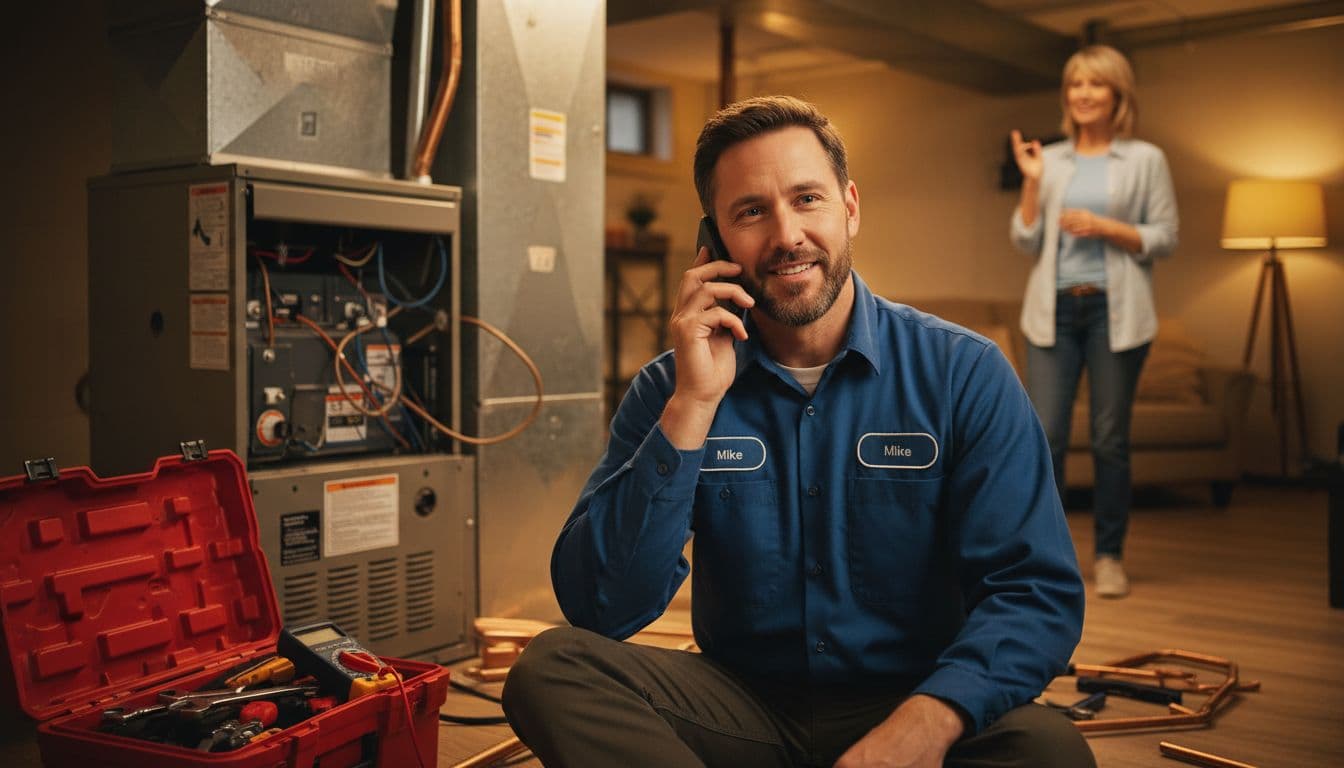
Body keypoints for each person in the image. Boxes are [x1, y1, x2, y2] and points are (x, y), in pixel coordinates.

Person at [503, 95, 1092, 768]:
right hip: (740, 707)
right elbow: (601, 608)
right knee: (552, 668)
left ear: (850, 207)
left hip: (911, 699)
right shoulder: (671, 389)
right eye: (751, 211)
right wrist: (693, 405)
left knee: (1049, 749)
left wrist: (927, 725)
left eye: (806, 199)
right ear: (715, 241)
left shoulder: (965, 372)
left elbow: (1034, 592)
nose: (786, 235)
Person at [1009, 45, 1178, 599]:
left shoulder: (1145, 159)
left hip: (1115, 310)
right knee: (1046, 436)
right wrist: (1031, 179)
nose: (1083, 93)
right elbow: (1026, 238)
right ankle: (1047, 558)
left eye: (1095, 84)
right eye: (1075, 83)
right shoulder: (1051, 158)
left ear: (1117, 95)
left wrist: (1108, 228)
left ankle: (1109, 555)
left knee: (1109, 440)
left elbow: (1164, 237)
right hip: (1054, 310)